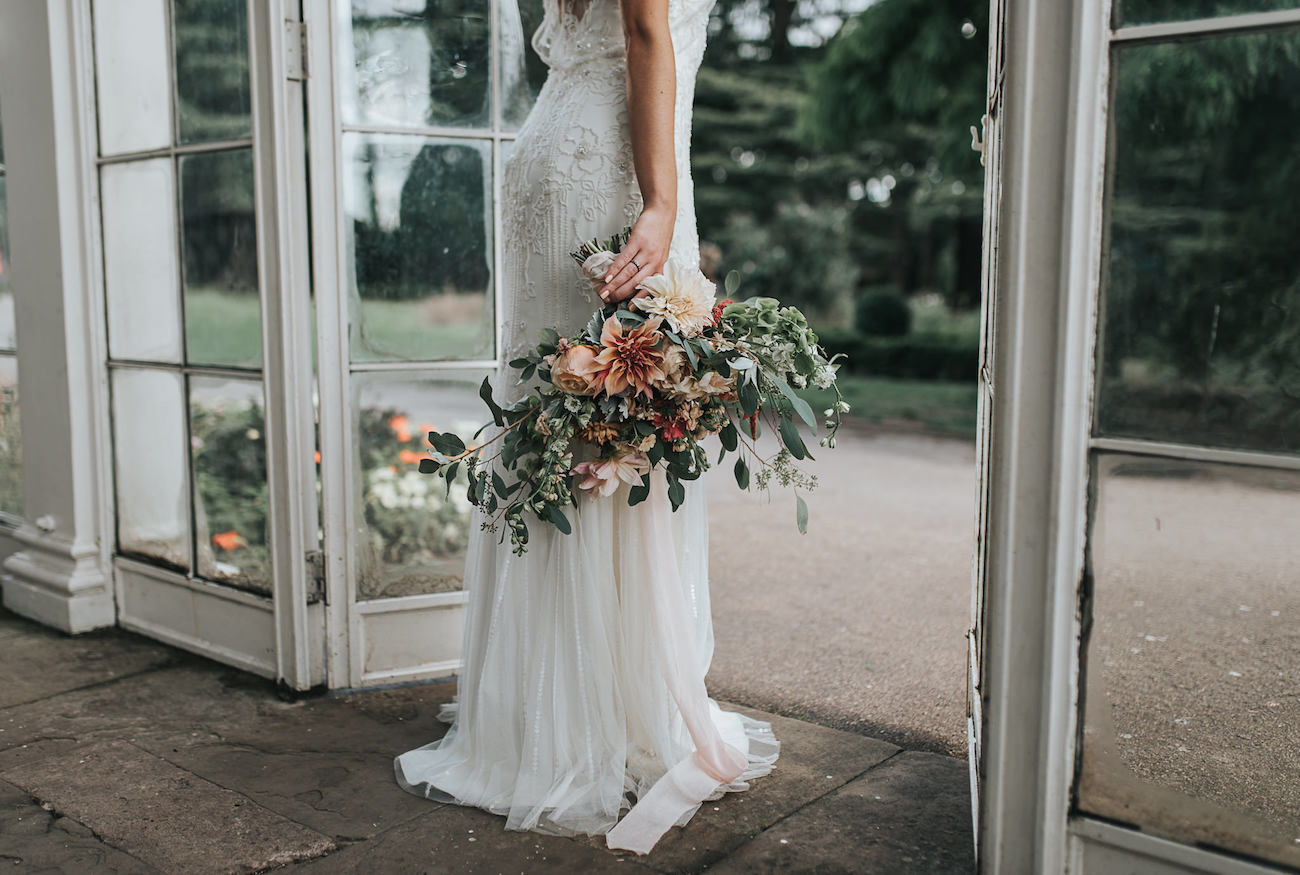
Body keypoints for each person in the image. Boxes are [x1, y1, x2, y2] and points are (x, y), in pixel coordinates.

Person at [394, 0, 778, 854]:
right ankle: (592, 722)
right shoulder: (647, 176)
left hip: (563, 145)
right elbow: (645, 30)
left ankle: (549, 712)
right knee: (608, 422)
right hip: (616, 164)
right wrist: (663, 201)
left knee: (575, 417)